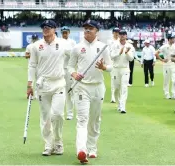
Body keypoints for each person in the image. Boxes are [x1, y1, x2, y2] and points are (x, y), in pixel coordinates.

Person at [67, 20, 112, 163]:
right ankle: (82, 150)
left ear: (96, 31)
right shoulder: (77, 47)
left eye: (90, 29)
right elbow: (70, 67)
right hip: (82, 87)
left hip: (98, 86)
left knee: (95, 119)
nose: (87, 31)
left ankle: (92, 148)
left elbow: (111, 66)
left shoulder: (103, 47)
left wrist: (104, 67)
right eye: (85, 29)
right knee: (82, 119)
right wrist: (74, 75)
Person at [27, 20, 70, 156]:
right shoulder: (36, 46)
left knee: (57, 115)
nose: (45, 29)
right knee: (45, 117)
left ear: (54, 29)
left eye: (49, 27)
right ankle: (48, 144)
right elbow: (32, 65)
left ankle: (58, 142)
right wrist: (29, 84)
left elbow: (74, 56)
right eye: (44, 27)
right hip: (43, 84)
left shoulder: (64, 44)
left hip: (59, 83)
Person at [110, 30, 134, 113]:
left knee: (124, 88)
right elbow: (112, 57)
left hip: (125, 69)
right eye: (121, 34)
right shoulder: (115, 45)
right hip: (116, 69)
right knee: (116, 88)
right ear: (119, 35)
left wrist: (127, 53)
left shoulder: (129, 46)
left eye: (124, 34)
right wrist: (119, 53)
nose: (122, 36)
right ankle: (119, 103)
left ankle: (123, 107)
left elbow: (131, 59)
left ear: (126, 36)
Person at [61, 26, 77, 120]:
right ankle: (59, 113)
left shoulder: (72, 42)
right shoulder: (58, 42)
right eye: (63, 32)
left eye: (66, 32)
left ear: (69, 33)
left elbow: (74, 55)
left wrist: (67, 52)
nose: (64, 34)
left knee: (69, 91)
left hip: (69, 69)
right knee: (59, 92)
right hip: (59, 69)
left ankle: (70, 113)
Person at [155, 32, 175, 99]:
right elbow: (156, 53)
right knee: (166, 80)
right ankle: (166, 93)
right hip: (166, 65)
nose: (174, 40)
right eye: (173, 38)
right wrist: (162, 60)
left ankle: (173, 93)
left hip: (173, 65)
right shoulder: (164, 46)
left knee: (174, 80)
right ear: (169, 39)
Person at [107, 27, 120, 103]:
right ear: (113, 33)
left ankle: (117, 95)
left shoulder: (120, 41)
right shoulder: (110, 41)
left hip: (119, 61)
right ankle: (112, 96)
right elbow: (108, 51)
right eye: (115, 32)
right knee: (113, 78)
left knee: (118, 80)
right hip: (112, 61)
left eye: (118, 32)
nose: (116, 33)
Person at [25, 34, 39, 99]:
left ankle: (38, 94)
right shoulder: (29, 46)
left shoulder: (40, 46)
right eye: (34, 38)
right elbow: (26, 56)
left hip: (39, 66)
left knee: (39, 81)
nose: (35, 40)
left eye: (36, 38)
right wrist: (32, 55)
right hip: (31, 66)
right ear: (32, 39)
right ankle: (30, 94)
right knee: (30, 80)